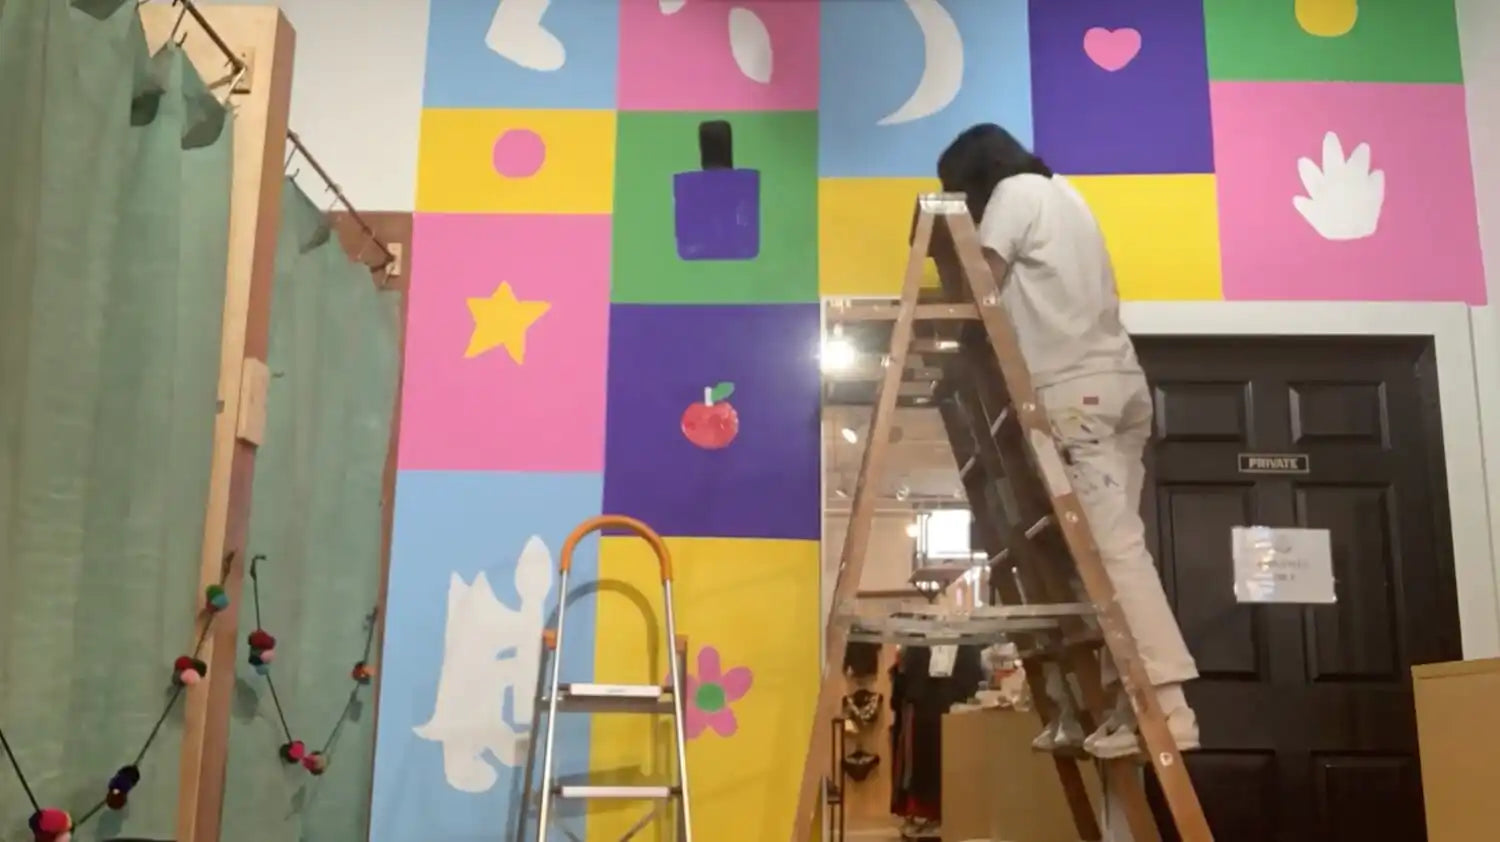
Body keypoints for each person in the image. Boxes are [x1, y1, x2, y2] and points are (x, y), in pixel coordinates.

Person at [935, 123, 1199, 759]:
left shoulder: (1015, 195)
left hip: (1076, 394)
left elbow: (980, 285)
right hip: (1115, 389)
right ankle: (1122, 702)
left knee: (1111, 554)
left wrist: (937, 278)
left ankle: (1167, 707)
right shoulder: (1067, 196)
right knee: (1101, 555)